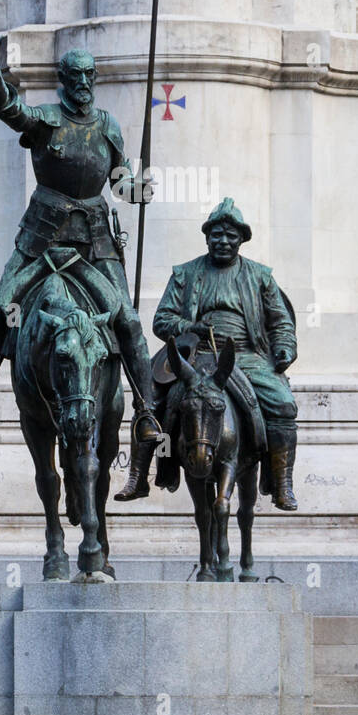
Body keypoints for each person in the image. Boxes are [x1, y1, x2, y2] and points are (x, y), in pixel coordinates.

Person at [0, 24, 159, 447]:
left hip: (96, 244)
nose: (83, 83)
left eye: (89, 76)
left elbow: (120, 183)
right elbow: (5, 109)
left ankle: (145, 411)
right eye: (75, 76)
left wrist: (138, 188)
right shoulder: (45, 120)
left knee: (127, 319)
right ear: (63, 80)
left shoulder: (109, 126)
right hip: (41, 243)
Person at [115, 197, 299, 510]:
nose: (223, 241)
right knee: (150, 399)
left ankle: (281, 481)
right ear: (207, 237)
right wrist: (191, 326)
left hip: (246, 357)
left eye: (230, 235)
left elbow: (281, 322)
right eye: (216, 235)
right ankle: (138, 475)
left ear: (241, 239)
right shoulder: (185, 274)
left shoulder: (260, 277)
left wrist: (284, 348)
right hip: (195, 356)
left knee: (283, 405)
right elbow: (162, 320)